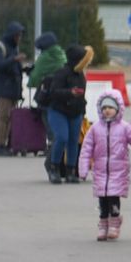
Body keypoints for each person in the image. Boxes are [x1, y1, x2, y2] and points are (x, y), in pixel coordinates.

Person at [78, 89, 131, 241]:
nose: (107, 111)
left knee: (114, 198)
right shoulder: (95, 128)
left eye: (110, 107)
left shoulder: (124, 127)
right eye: (104, 108)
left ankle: (114, 223)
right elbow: (86, 149)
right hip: (101, 171)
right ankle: (103, 225)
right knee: (102, 200)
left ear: (118, 108)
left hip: (118, 171)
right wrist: (83, 169)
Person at [45, 45, 92, 184]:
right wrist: (70, 92)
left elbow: (82, 94)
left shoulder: (80, 74)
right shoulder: (62, 73)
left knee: (73, 141)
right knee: (61, 137)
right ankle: (54, 168)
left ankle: (71, 171)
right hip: (58, 111)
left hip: (75, 112)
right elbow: (53, 92)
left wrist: (83, 112)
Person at [28, 31, 67, 170]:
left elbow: (35, 78)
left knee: (47, 120)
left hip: (46, 95)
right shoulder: (62, 54)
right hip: (61, 95)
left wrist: (31, 76)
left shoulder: (45, 57)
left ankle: (51, 147)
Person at [0, 21, 26, 156]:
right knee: (3, 116)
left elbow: (14, 67)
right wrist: (14, 60)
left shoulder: (13, 47)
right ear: (12, 35)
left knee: (11, 117)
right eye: (17, 35)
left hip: (13, 88)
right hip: (2, 87)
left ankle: (7, 144)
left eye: (20, 35)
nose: (19, 38)